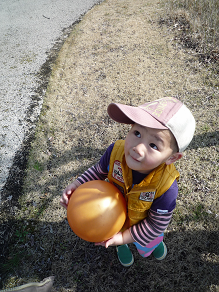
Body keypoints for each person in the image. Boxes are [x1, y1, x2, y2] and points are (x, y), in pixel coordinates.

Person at [60, 97, 196, 267]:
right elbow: (98, 171)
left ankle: (152, 246)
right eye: (137, 133)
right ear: (131, 128)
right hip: (109, 220)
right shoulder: (114, 152)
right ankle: (121, 245)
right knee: (114, 237)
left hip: (142, 228)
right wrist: (77, 185)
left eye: (153, 145)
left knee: (146, 245)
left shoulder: (166, 188)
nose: (137, 148)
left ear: (172, 158)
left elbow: (155, 226)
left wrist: (125, 236)